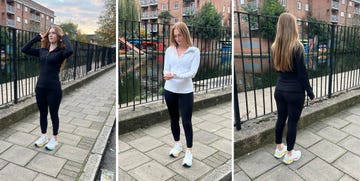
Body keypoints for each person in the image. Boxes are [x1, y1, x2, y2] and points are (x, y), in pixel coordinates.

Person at [271, 13, 315, 164]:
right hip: (295, 92)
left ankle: (279, 149)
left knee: (281, 118)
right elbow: (302, 74)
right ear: (293, 27)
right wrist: (310, 93)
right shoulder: (297, 47)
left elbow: (277, 70)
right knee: (292, 123)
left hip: (279, 90)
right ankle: (289, 154)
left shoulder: (275, 47)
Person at [22, 25, 73, 151]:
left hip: (53, 89)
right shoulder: (42, 50)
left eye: (54, 33)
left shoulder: (61, 53)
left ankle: (54, 139)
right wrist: (36, 38)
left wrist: (63, 36)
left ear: (58, 36)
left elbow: (70, 50)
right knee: (43, 113)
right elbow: (24, 49)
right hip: (40, 87)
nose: (51, 35)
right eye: (49, 33)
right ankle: (43, 136)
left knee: (53, 113)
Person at [163, 22, 200, 167]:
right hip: (170, 90)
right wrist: (167, 75)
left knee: (186, 122)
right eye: (175, 36)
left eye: (180, 35)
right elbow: (166, 69)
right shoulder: (169, 50)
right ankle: (177, 144)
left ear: (185, 33)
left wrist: (175, 75)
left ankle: (189, 152)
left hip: (185, 92)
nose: (178, 38)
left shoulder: (194, 51)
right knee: (173, 119)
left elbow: (192, 73)